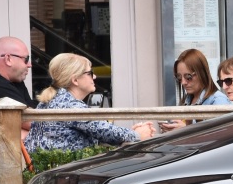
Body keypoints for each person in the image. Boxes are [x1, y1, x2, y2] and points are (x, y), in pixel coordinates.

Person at [24, 53, 155, 153]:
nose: (95, 77)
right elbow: (106, 132)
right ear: (75, 80)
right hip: (66, 175)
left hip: (50, 170)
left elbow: (104, 132)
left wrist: (128, 135)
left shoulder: (51, 101)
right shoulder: (71, 106)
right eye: (89, 73)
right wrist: (139, 134)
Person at [159, 49, 229, 132]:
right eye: (179, 77)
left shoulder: (218, 100)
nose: (183, 82)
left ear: (201, 73)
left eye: (188, 77)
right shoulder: (187, 100)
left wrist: (186, 129)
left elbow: (222, 135)